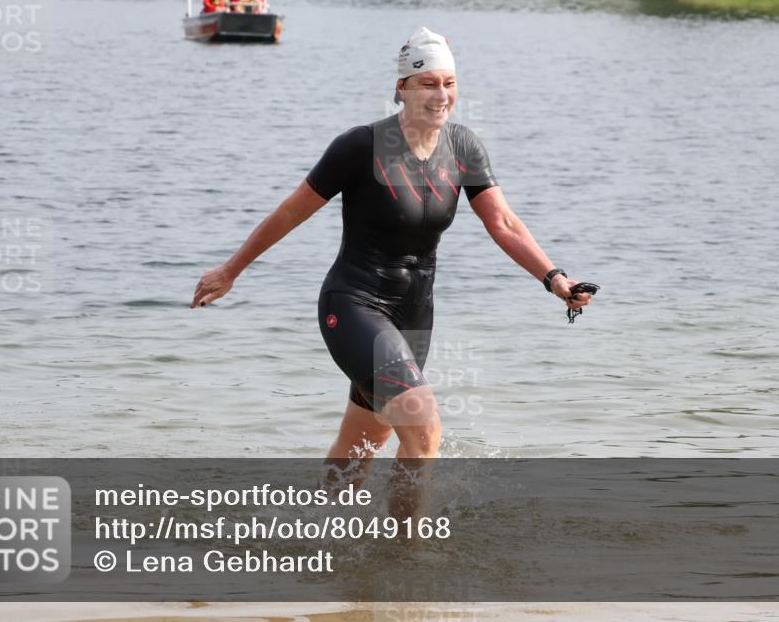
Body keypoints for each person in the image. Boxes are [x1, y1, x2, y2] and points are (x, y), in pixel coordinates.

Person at [190, 27, 595, 517]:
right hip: (354, 304)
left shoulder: (464, 148)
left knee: (362, 444)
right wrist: (231, 270)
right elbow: (292, 211)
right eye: (428, 84)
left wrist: (556, 279)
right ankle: (406, 551)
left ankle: (312, 532)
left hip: (413, 316)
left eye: (449, 83)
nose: (441, 95)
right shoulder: (360, 147)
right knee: (424, 429)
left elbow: (503, 223)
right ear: (402, 87)